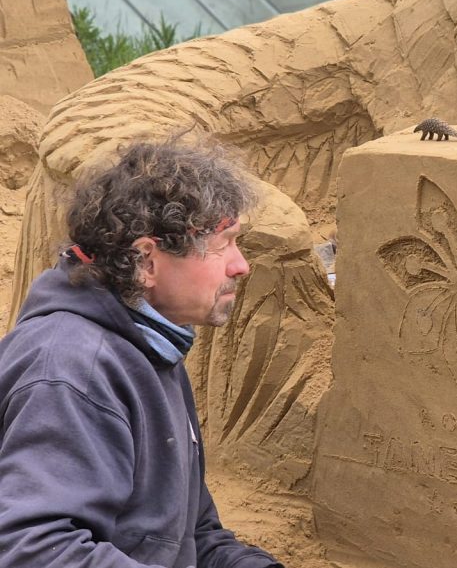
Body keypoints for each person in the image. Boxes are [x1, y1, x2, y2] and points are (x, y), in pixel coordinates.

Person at [0, 138, 283, 568]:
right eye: (223, 244)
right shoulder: (73, 370)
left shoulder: (151, 348)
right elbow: (35, 549)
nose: (240, 265)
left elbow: (190, 536)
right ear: (146, 261)